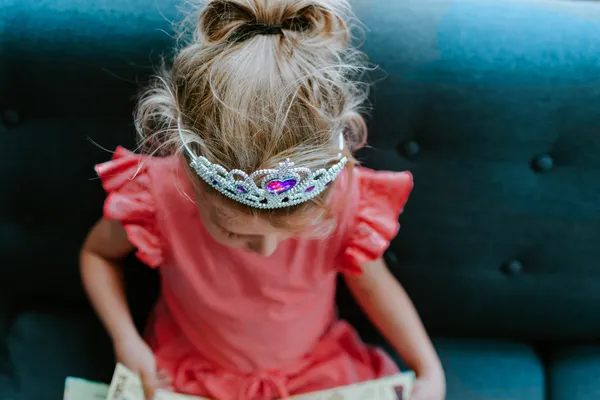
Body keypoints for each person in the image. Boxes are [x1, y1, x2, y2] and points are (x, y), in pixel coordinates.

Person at [80, 1, 445, 399]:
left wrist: (428, 367)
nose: (266, 250)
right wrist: (125, 339)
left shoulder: (341, 201)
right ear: (192, 182)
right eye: (233, 231)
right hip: (190, 373)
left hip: (314, 373)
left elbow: (375, 287)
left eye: (290, 233)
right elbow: (98, 255)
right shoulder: (162, 195)